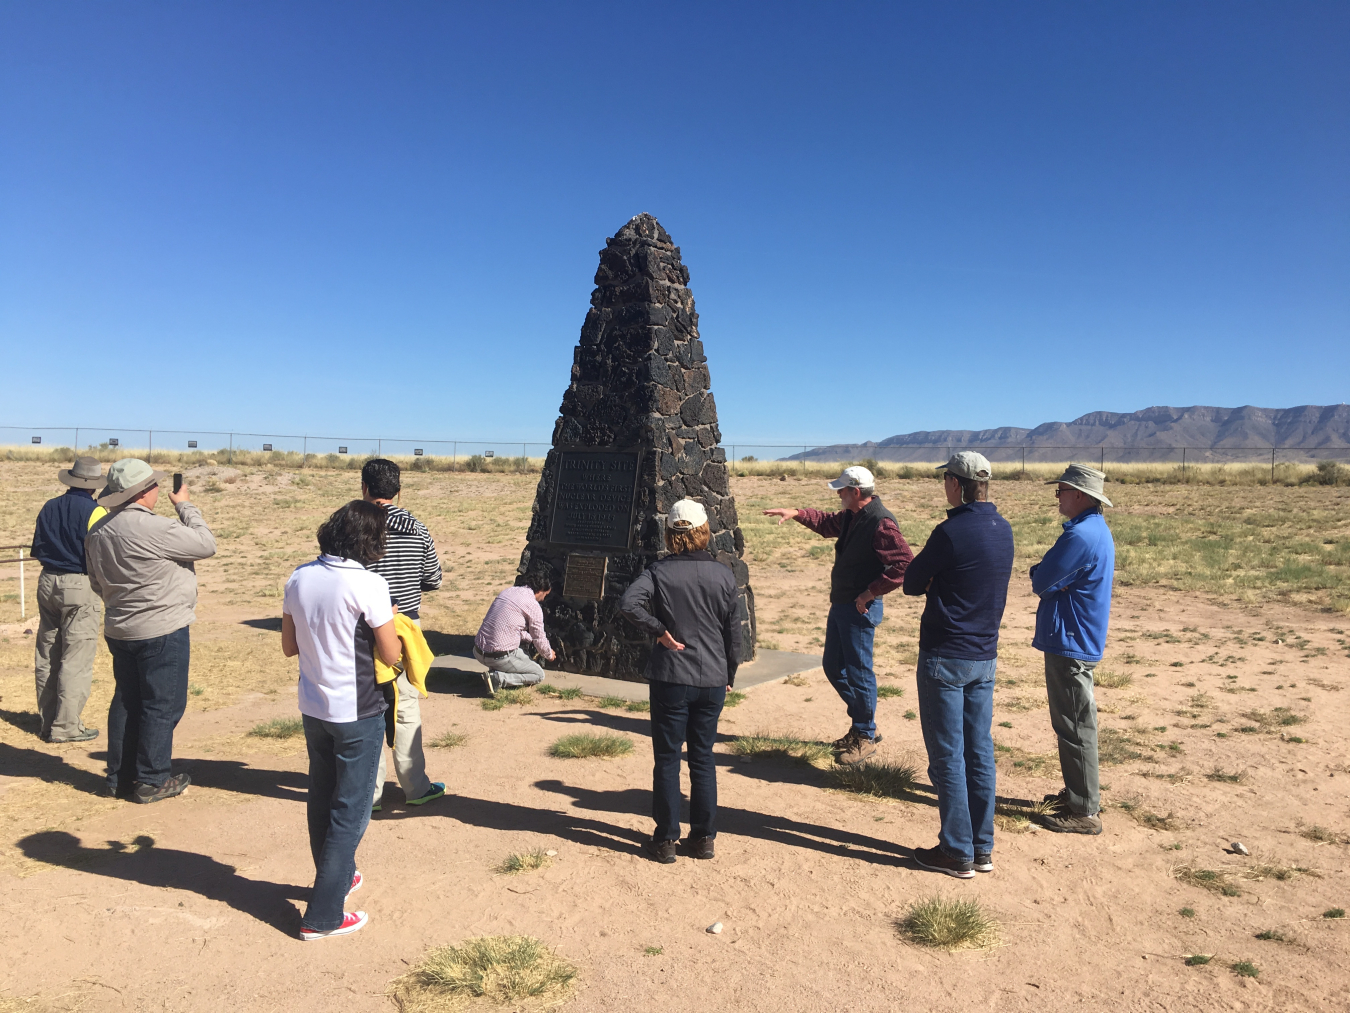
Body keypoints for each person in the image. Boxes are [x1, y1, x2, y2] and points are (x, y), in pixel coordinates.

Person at [282, 500, 403, 940]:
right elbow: (390, 653)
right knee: (351, 810)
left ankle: (339, 876)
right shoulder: (369, 584)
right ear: (369, 542)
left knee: (322, 795)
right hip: (358, 709)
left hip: (313, 705)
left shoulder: (298, 576)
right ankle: (323, 916)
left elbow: (289, 646)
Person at [901, 453, 1014, 878]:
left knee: (948, 755)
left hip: (945, 654)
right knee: (979, 750)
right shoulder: (1002, 529)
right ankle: (981, 848)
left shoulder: (950, 532)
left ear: (955, 483)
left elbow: (912, 582)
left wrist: (936, 582)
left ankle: (956, 851)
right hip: (984, 655)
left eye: (945, 480)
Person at [84, 460, 216, 803]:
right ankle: (152, 779)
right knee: (162, 704)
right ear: (144, 492)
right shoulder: (155, 528)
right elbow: (206, 544)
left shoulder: (98, 532)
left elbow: (97, 582)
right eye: (154, 486)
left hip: (120, 628)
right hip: (162, 628)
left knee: (127, 701)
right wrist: (185, 505)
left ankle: (120, 776)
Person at [763, 465, 913, 765]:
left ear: (856, 492)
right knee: (834, 666)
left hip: (859, 607)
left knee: (859, 671)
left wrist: (871, 592)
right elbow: (826, 522)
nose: (839, 495)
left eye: (842, 490)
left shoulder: (880, 523)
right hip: (844, 604)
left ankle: (865, 734)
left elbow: (905, 564)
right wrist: (797, 512)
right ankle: (862, 722)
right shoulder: (852, 517)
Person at [618, 499, 740, 863]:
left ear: (671, 534)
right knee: (702, 757)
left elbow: (628, 604)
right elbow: (734, 634)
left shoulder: (658, 572)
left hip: (671, 677)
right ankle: (703, 838)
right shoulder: (724, 574)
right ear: (704, 531)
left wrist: (660, 632)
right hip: (712, 678)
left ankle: (666, 839)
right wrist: (729, 673)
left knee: (668, 758)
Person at [1031, 464, 1117, 835]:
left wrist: (1047, 578)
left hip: (1071, 640)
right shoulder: (1092, 531)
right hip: (1076, 637)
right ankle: (1079, 794)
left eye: (1061, 490)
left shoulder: (1081, 537)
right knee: (1073, 721)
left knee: (1075, 724)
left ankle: (1083, 808)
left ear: (1080, 495)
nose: (1058, 496)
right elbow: (1051, 579)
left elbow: (1042, 579)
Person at [359, 459, 445, 811]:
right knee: (406, 708)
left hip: (363, 632)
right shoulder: (418, 529)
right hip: (405, 629)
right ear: (398, 490)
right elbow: (434, 578)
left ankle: (370, 793)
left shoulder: (356, 528)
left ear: (364, 488)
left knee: (367, 710)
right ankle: (415, 787)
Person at [30, 456, 105, 743]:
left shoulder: (49, 506)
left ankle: (48, 722)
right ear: (94, 486)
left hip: (47, 580)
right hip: (79, 582)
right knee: (76, 657)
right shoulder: (95, 512)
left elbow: (38, 548)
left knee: (47, 653)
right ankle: (66, 727)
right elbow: (100, 553)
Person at [473, 571, 556, 694]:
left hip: (478, 651)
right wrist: (549, 654)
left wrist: (529, 638)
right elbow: (539, 638)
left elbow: (510, 628)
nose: (543, 599)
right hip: (499, 656)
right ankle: (499, 679)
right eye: (545, 595)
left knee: (520, 652)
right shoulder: (533, 605)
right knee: (538, 674)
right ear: (540, 590)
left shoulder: (508, 592)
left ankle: (495, 672)